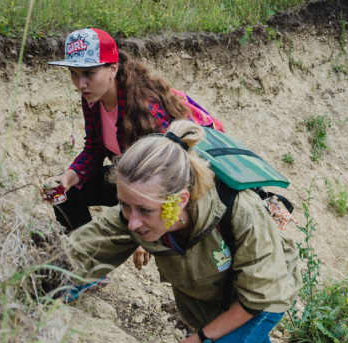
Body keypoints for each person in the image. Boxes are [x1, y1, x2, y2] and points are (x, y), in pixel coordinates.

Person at [65, 120, 328, 343]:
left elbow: (257, 297)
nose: (131, 222)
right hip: (220, 297)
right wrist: (32, 276)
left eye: (143, 210)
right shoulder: (140, 211)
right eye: (125, 205)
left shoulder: (241, 213)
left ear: (180, 201)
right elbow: (81, 250)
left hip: (261, 296)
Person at [43, 28, 224, 301]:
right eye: (73, 73)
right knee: (70, 194)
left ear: (113, 69)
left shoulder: (147, 108)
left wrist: (148, 236)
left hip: (170, 191)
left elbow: (176, 174)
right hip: (127, 179)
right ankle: (87, 270)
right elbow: (93, 149)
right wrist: (68, 178)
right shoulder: (92, 100)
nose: (80, 83)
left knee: (133, 218)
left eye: (89, 73)